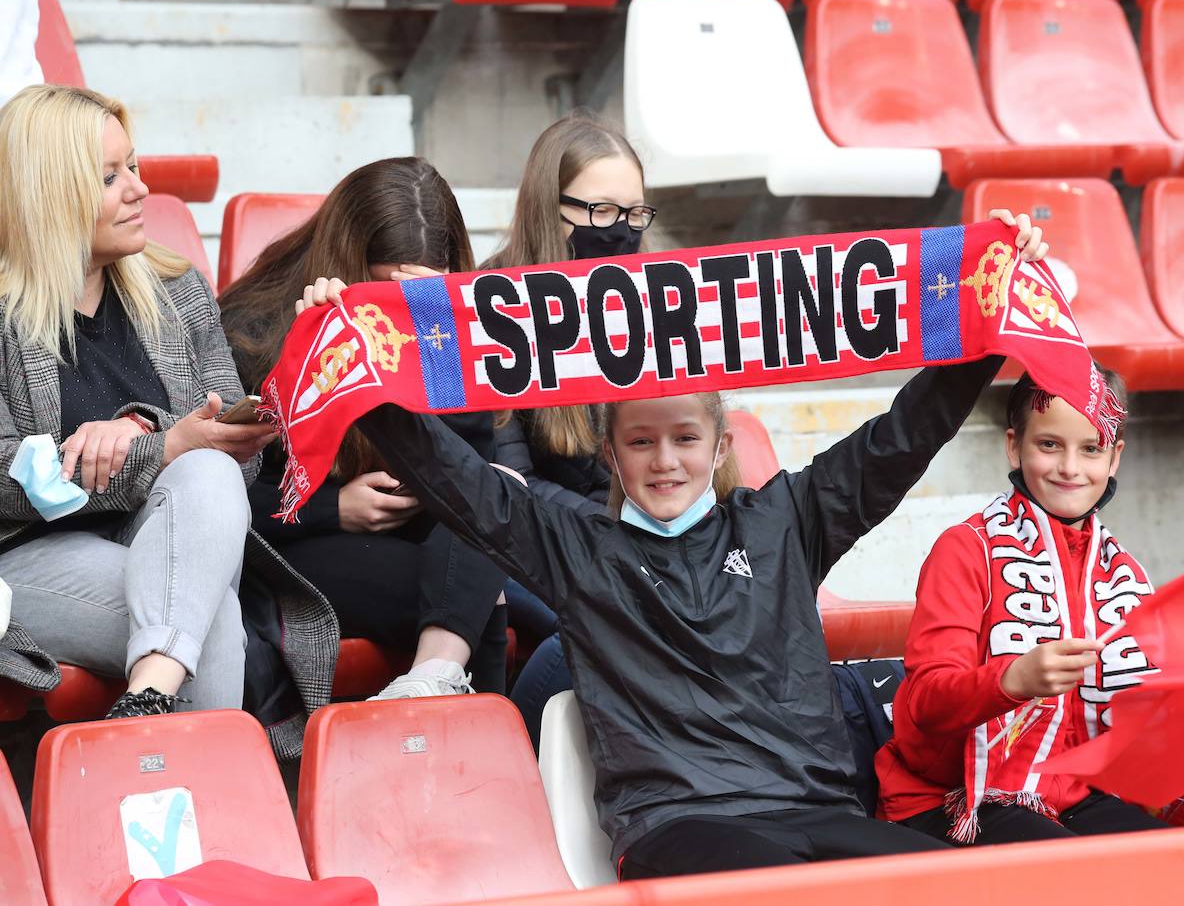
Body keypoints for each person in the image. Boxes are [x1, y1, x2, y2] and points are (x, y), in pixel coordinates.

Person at [294, 209, 1048, 879]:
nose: (665, 461)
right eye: (642, 441)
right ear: (610, 453)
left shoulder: (787, 518)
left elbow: (902, 438)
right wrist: (362, 368)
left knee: (962, 887)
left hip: (816, 810)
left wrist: (990, 317)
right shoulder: (574, 545)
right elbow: (453, 477)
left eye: (686, 438)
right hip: (680, 826)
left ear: (720, 445)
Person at [0, 84, 299, 719]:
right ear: (52, 193)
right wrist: (152, 448)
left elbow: (234, 473)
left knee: (210, 472)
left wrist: (155, 437)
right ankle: (199, 791)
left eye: (133, 167)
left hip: (164, 538)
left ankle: (146, 707)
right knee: (209, 620)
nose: (140, 190)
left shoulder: (178, 290)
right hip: (27, 556)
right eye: (110, 178)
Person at [876, 367, 1184, 845]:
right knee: (1075, 868)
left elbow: (1156, 711)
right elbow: (926, 701)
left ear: (1114, 459)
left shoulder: (1123, 573)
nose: (1070, 467)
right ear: (1014, 447)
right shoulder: (964, 549)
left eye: (1091, 449)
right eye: (1049, 445)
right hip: (950, 798)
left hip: (1069, 797)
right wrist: (1012, 681)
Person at [219, 156, 509, 698]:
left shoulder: (438, 322)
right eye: (386, 291)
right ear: (348, 265)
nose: (405, 307)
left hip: (424, 540)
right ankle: (478, 739)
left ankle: (432, 685)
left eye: (423, 291)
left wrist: (441, 335)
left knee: (495, 505)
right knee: (477, 595)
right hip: (302, 541)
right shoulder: (253, 330)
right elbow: (221, 502)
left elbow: (473, 473)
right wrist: (337, 508)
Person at [486, 113, 651, 743]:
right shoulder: (491, 307)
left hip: (627, 535)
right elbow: (508, 483)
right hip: (522, 537)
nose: (624, 232)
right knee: (607, 620)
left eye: (636, 215)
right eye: (604, 212)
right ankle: (514, 765)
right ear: (549, 212)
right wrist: (614, 531)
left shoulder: (652, 304)